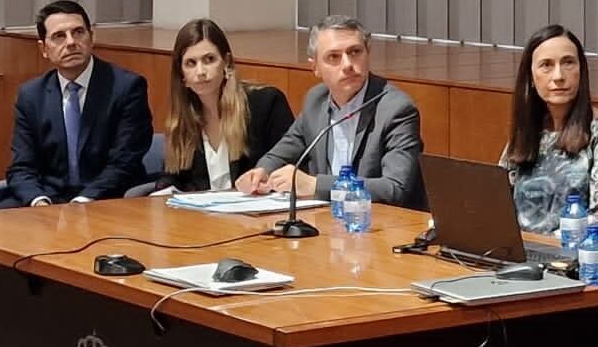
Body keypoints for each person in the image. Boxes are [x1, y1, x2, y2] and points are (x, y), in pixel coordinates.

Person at [235, 15, 426, 208]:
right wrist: (261, 172)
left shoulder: (396, 109)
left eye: (355, 52)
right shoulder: (316, 101)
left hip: (383, 226)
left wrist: (315, 185)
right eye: (334, 57)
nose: (347, 65)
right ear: (315, 67)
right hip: (329, 222)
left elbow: (395, 188)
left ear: (368, 54)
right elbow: (282, 152)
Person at [0, 0, 153, 207]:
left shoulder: (126, 87)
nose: (71, 42)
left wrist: (82, 201)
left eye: (78, 32)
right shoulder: (31, 96)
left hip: (108, 199)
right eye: (59, 36)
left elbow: (124, 163)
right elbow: (22, 167)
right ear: (44, 48)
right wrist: (39, 202)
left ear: (92, 38)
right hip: (50, 203)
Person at [499, 23, 598, 234]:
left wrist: (549, 242)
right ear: (531, 78)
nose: (558, 76)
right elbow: (497, 199)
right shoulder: (529, 130)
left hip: (573, 253)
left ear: (581, 71)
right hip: (519, 251)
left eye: (568, 63)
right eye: (546, 65)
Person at [150, 19, 296, 194]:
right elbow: (172, 178)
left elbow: (288, 167)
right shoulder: (182, 120)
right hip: (198, 219)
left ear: (226, 62)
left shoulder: (265, 104)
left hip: (256, 216)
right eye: (191, 63)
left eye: (209, 59)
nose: (201, 72)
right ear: (181, 75)